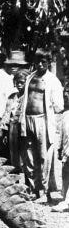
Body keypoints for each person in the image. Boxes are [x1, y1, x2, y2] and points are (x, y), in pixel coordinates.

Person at [18, 49, 64, 202]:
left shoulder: (53, 81)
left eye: (43, 62)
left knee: (43, 157)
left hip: (43, 120)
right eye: (38, 61)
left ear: (48, 63)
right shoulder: (30, 77)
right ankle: (32, 189)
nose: (40, 64)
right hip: (27, 119)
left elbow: (59, 106)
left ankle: (43, 192)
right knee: (29, 157)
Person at [0, 70, 29, 171]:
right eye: (17, 82)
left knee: (25, 153)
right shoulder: (12, 97)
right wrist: (4, 131)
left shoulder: (28, 97)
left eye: (22, 82)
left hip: (24, 127)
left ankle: (26, 176)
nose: (19, 84)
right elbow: (7, 113)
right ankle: (16, 172)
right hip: (13, 127)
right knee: (14, 152)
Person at [50, 83, 69, 213]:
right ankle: (65, 196)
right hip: (66, 152)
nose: (67, 95)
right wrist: (60, 150)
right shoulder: (66, 115)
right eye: (66, 92)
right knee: (65, 172)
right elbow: (63, 135)